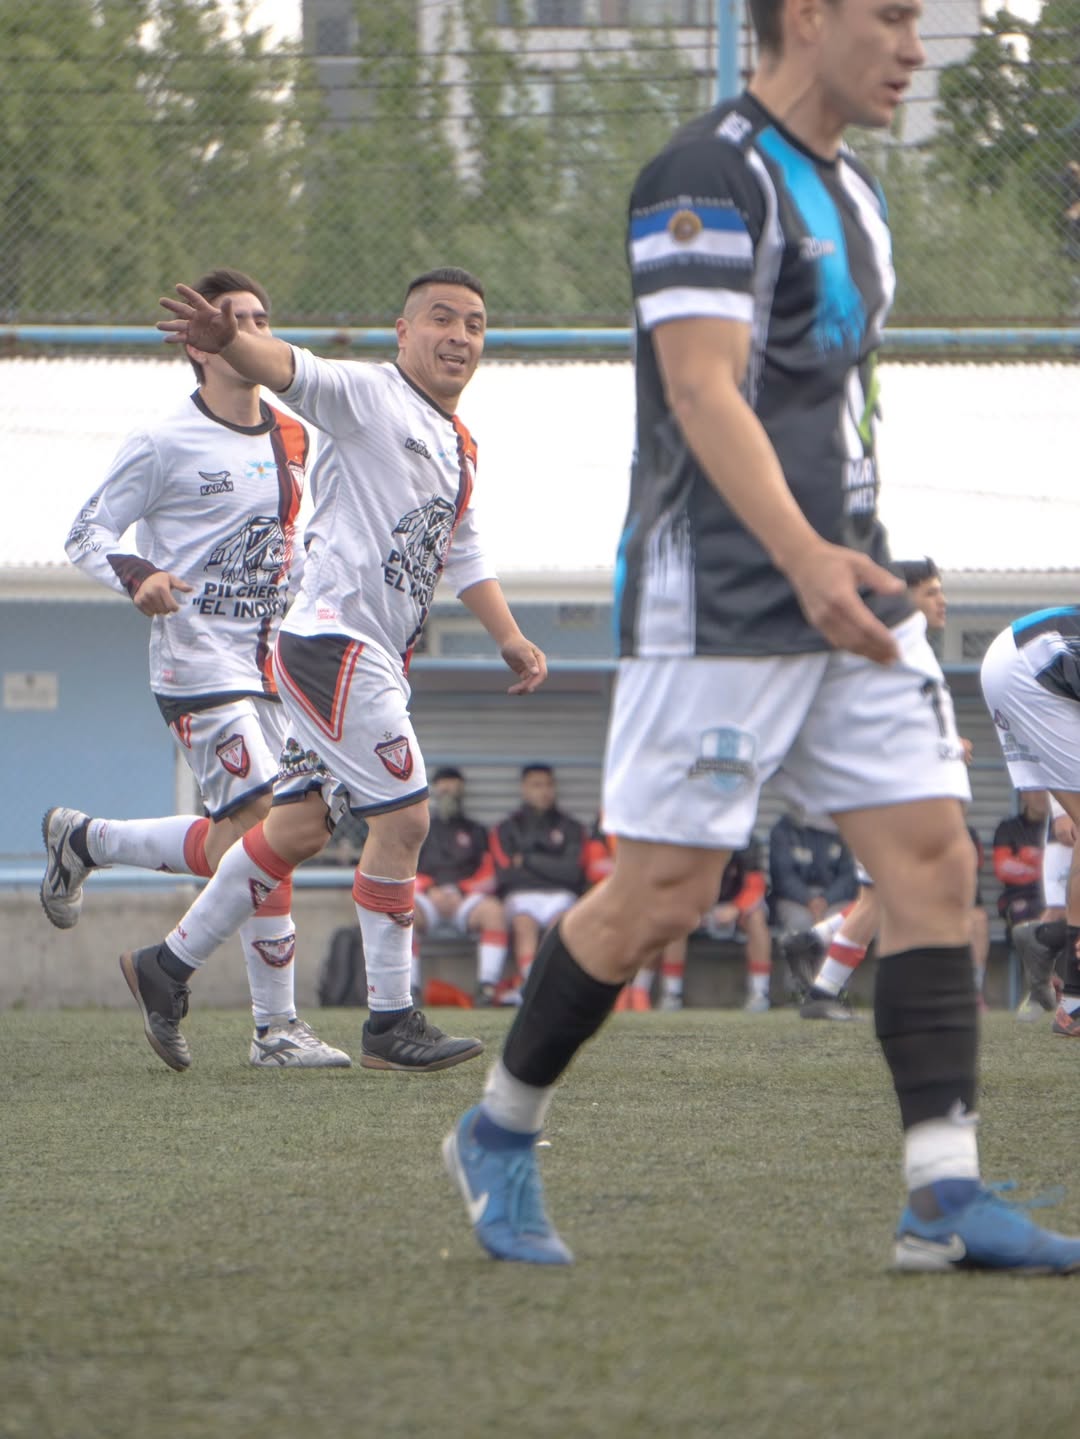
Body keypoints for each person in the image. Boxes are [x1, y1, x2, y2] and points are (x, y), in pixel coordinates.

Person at [440, 0, 1080, 1272]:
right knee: (663, 897)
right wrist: (803, 559)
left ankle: (940, 1200)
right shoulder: (705, 176)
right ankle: (498, 1129)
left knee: (934, 866)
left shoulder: (856, 194)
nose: (914, 44)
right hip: (718, 595)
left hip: (850, 586)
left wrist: (875, 567)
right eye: (893, 15)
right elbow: (699, 386)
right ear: (807, 16)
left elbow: (825, 412)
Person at [115, 265, 548, 1074]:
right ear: (404, 332)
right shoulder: (371, 395)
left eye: (476, 324)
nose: (460, 336)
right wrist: (234, 342)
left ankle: (164, 966)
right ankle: (390, 1021)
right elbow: (295, 370)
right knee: (408, 818)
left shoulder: (459, 445)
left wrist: (511, 637)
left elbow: (462, 547)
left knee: (301, 825)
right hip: (334, 643)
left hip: (361, 652)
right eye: (442, 319)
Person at [40, 266, 348, 1070]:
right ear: (198, 344)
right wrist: (138, 575)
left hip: (277, 663)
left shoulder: (294, 434)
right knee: (269, 823)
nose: (251, 329)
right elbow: (86, 532)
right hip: (198, 662)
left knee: (250, 839)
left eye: (262, 317)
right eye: (234, 319)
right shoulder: (163, 440)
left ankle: (88, 839)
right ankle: (269, 1027)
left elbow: (300, 543)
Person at [787, 558, 987, 1019]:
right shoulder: (888, 645)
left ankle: (812, 942)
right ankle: (822, 993)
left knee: (889, 895)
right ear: (904, 596)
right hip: (889, 794)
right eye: (931, 592)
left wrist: (947, 744)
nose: (943, 601)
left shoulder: (911, 648)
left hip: (903, 789)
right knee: (881, 899)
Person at [981, 607, 1080, 1038]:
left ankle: (1050, 940)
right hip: (1028, 667)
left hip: (1019, 660)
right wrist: (1061, 811)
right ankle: (1074, 1002)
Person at [413, 766, 514, 1006]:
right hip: (429, 899)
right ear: (434, 789)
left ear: (462, 789)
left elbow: (491, 874)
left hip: (465, 900)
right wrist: (429, 889)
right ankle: (410, 990)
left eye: (453, 784)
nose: (448, 789)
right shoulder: (420, 827)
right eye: (443, 784)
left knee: (494, 912)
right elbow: (405, 868)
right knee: (401, 914)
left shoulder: (477, 831)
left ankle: (486, 989)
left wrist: (462, 890)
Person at [489, 765, 588, 988]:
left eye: (549, 785)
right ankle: (529, 984)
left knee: (560, 926)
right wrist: (553, 868)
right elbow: (505, 876)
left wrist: (527, 860)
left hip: (561, 895)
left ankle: (548, 985)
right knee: (525, 924)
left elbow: (573, 873)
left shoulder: (571, 827)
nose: (544, 791)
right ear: (524, 789)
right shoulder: (506, 828)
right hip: (521, 896)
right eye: (537, 785)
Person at [657, 841, 771, 1013]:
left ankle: (759, 992)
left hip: (734, 905)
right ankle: (671, 992)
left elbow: (755, 885)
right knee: (676, 919)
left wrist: (737, 908)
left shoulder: (747, 839)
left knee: (757, 918)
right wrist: (696, 908)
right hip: (698, 904)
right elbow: (680, 880)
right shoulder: (692, 838)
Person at [1012, 794, 1071, 1018]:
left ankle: (1038, 937)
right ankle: (1041, 990)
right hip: (1072, 816)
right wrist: (1060, 810)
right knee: (1059, 909)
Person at [768, 810, 857, 934]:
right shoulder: (784, 829)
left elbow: (848, 875)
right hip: (794, 899)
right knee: (799, 924)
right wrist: (808, 899)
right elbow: (782, 876)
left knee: (839, 924)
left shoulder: (844, 826)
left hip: (836, 898)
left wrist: (826, 900)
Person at [991, 789, 1048, 940]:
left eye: (1046, 791)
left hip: (1056, 900)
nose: (1041, 795)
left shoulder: (1062, 829)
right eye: (1035, 791)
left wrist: (1026, 860)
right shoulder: (1008, 828)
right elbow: (1003, 869)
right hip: (1018, 897)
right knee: (1025, 915)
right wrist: (1047, 867)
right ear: (1023, 794)